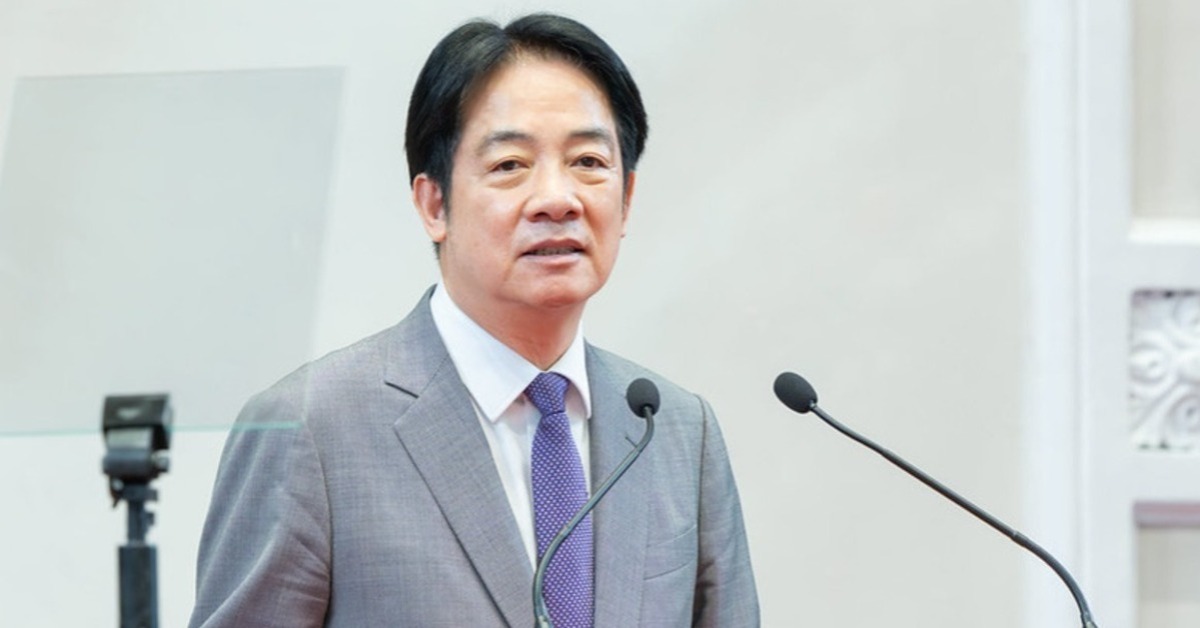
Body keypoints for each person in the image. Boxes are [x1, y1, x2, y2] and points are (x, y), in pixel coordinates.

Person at [189, 13, 758, 627]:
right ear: (434, 203)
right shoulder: (312, 428)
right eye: (510, 165)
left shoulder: (676, 432)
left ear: (627, 199)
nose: (557, 199)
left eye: (589, 161)